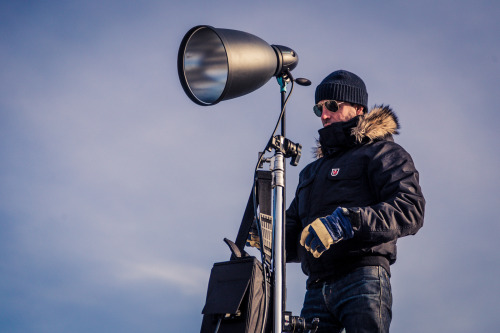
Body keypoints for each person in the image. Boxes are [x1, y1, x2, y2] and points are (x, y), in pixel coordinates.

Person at [284, 70, 425, 332]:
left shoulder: (382, 153)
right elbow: (296, 236)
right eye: (319, 109)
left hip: (362, 279)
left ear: (358, 108)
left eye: (332, 106)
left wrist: (347, 222)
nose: (324, 115)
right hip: (315, 288)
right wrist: (269, 236)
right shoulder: (312, 172)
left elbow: (410, 209)